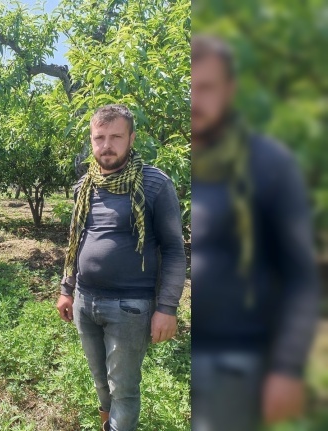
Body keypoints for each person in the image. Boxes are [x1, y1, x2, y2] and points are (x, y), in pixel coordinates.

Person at [190, 35, 319, 431]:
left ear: (230, 90)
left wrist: (288, 367)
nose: (195, 100)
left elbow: (301, 274)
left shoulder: (268, 163)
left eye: (206, 88)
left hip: (236, 362)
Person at [56, 104, 186, 431]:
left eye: (116, 136)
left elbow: (173, 249)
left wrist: (168, 308)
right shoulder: (86, 185)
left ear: (131, 138)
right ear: (91, 140)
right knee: (101, 383)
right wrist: (66, 289)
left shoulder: (154, 184)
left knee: (124, 391)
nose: (106, 145)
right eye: (99, 137)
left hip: (130, 305)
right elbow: (76, 239)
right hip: (86, 301)